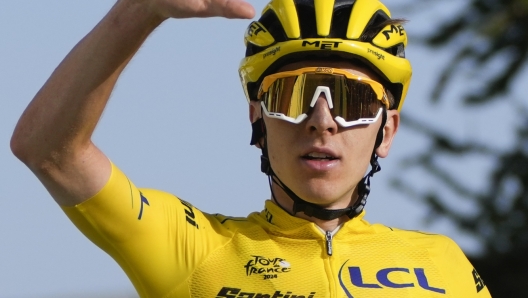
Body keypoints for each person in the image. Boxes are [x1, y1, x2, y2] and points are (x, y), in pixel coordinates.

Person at [11, 0, 491, 297]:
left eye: (352, 101)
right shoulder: (195, 250)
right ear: (257, 119)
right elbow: (50, 150)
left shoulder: (442, 263)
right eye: (292, 97)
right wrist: (138, 10)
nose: (321, 121)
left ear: (386, 132)